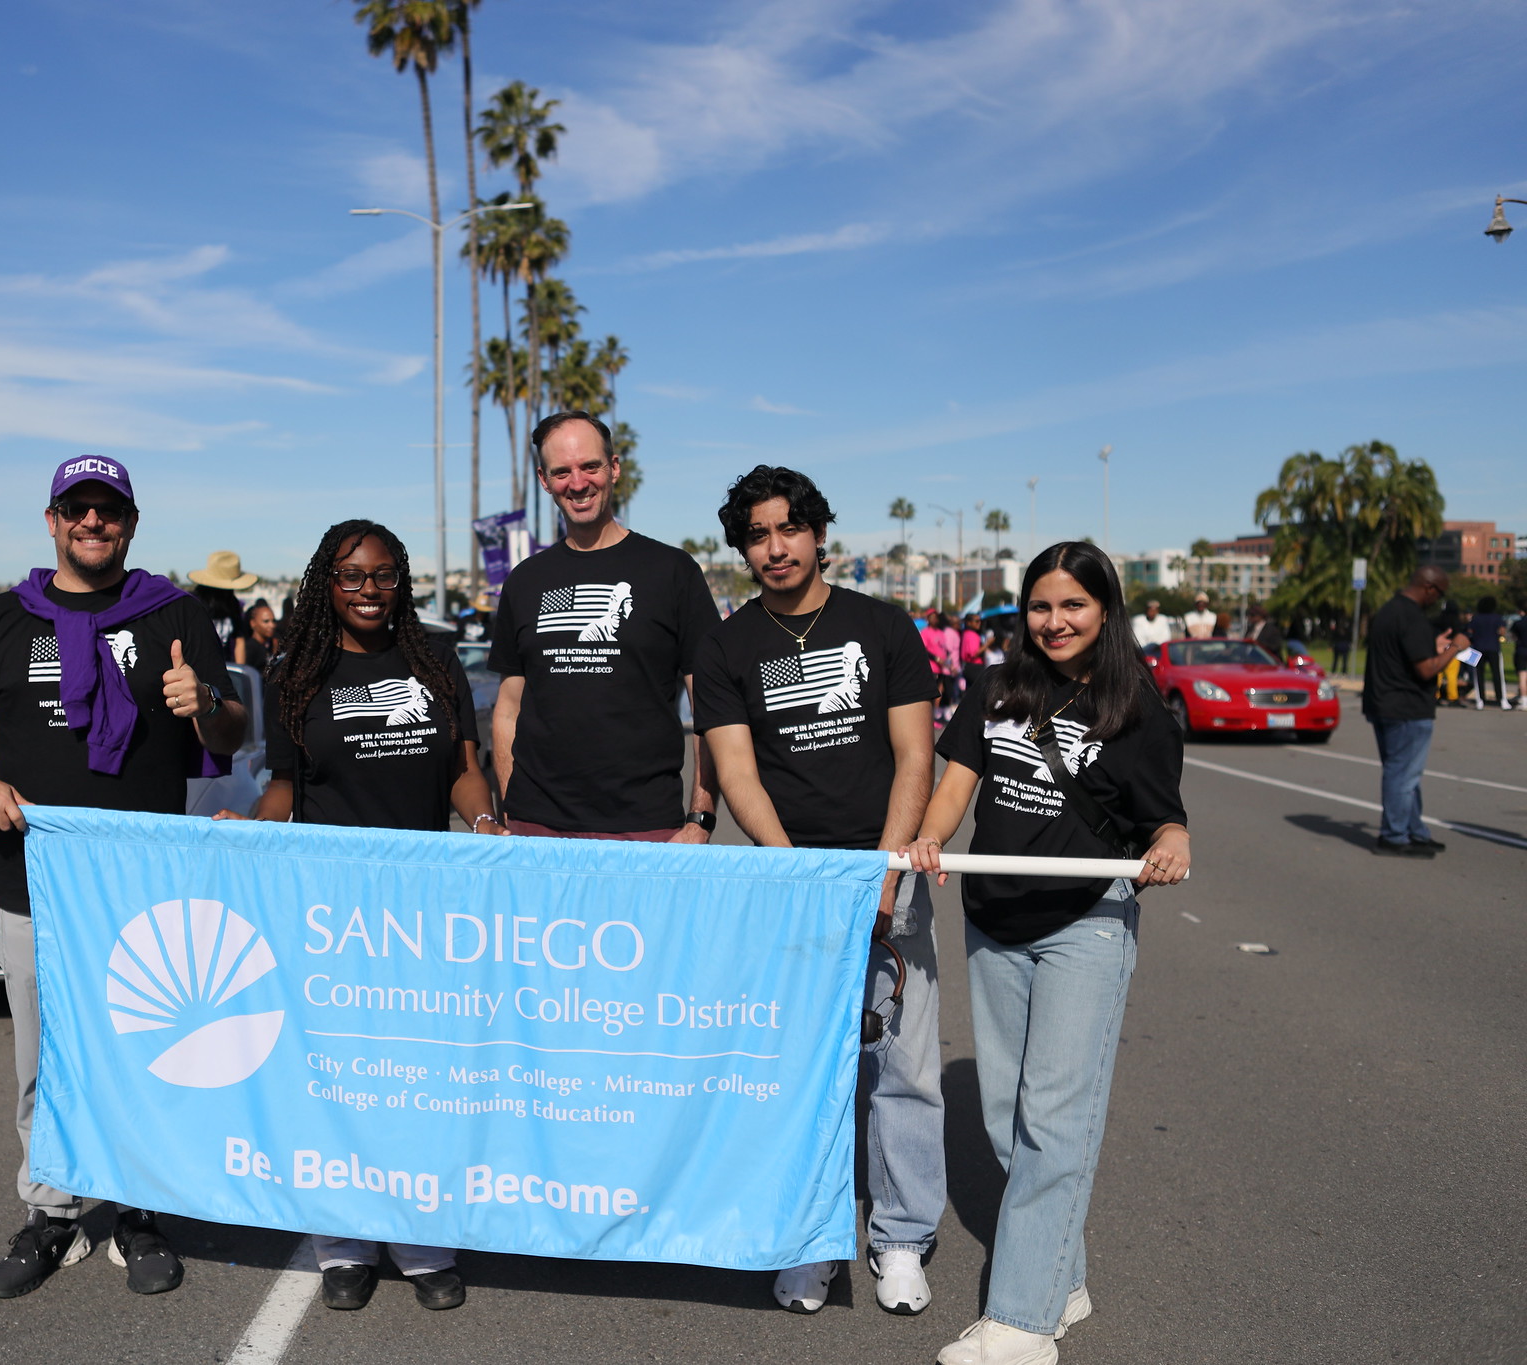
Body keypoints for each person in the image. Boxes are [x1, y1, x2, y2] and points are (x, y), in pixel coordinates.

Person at [0, 455, 247, 1300]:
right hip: (36, 880)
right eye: (79, 508)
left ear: (130, 524)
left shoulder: (172, 612)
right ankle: (52, 1212)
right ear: (53, 518)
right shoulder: (2, 619)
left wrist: (202, 701)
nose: (93, 522)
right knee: (43, 1058)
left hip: (146, 885)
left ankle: (140, 1211)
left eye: (109, 510)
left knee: (144, 1051)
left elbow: (234, 733)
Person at [901, 541, 1190, 1365]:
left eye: (1073, 605)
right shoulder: (997, 688)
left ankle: (1023, 1324)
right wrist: (929, 839)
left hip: (1086, 925)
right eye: (1040, 605)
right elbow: (957, 782)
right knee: (1006, 1120)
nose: (1055, 621)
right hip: (995, 921)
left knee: (1056, 1123)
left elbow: (1163, 817)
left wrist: (1173, 842)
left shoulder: (1136, 709)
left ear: (1105, 610)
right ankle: (1062, 1280)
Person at [219, 519, 500, 1312]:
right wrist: (254, 826)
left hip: (422, 906)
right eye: (351, 577)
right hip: (328, 910)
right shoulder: (294, 671)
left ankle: (420, 1236)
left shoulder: (435, 660)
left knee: (418, 1074)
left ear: (400, 580)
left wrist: (484, 824)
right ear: (326, 584)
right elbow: (284, 787)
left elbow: (464, 773)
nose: (368, 590)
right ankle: (341, 1241)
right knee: (339, 1076)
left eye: (382, 576)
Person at [691, 466, 944, 1318]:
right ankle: (809, 1235)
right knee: (798, 1070)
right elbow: (735, 771)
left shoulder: (882, 624)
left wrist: (886, 869)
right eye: (757, 535)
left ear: (817, 533)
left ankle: (902, 1236)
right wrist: (799, 874)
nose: (774, 547)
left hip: (887, 872)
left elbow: (915, 756)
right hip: (789, 883)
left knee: (903, 1067)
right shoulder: (726, 647)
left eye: (788, 529)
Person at [488, 411, 721, 843]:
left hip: (648, 827)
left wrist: (700, 819)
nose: (577, 483)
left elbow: (709, 702)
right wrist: (511, 806)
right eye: (561, 472)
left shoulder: (671, 571)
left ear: (613, 468)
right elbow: (508, 708)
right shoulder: (525, 580)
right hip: (535, 828)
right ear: (544, 479)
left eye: (589, 466)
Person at [1362, 567, 1469, 856]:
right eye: (1440, 593)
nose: (1439, 600)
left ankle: (1414, 831)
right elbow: (1426, 670)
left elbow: (1403, 654)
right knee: (1403, 776)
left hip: (1382, 703)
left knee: (1405, 774)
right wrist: (1455, 649)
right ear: (1429, 587)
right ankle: (1394, 836)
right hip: (1406, 708)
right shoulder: (1413, 618)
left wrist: (1433, 647)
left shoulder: (1388, 611)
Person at [189, 550, 257, 662]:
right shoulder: (193, 603)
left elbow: (239, 640)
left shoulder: (233, 603)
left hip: (226, 669)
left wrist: (239, 671)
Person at [1465, 596, 1509, 710]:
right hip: (1494, 648)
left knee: (1478, 675)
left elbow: (1470, 632)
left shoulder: (1475, 618)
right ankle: (1502, 699)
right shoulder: (1497, 617)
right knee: (1497, 674)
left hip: (1478, 648)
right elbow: (1502, 632)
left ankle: (1480, 701)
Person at [241, 598, 279, 676]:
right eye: (266, 621)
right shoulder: (250, 648)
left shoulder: (269, 644)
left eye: (273, 621)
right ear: (253, 623)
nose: (272, 625)